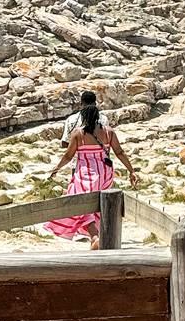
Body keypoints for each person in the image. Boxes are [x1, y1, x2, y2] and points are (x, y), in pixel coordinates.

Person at [45, 104, 138, 249]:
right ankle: (98, 238)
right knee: (98, 205)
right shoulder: (108, 132)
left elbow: (68, 155)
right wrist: (131, 171)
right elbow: (119, 152)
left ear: (83, 117)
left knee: (79, 203)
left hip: (86, 173)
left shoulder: (78, 134)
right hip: (105, 173)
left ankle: (95, 237)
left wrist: (56, 168)